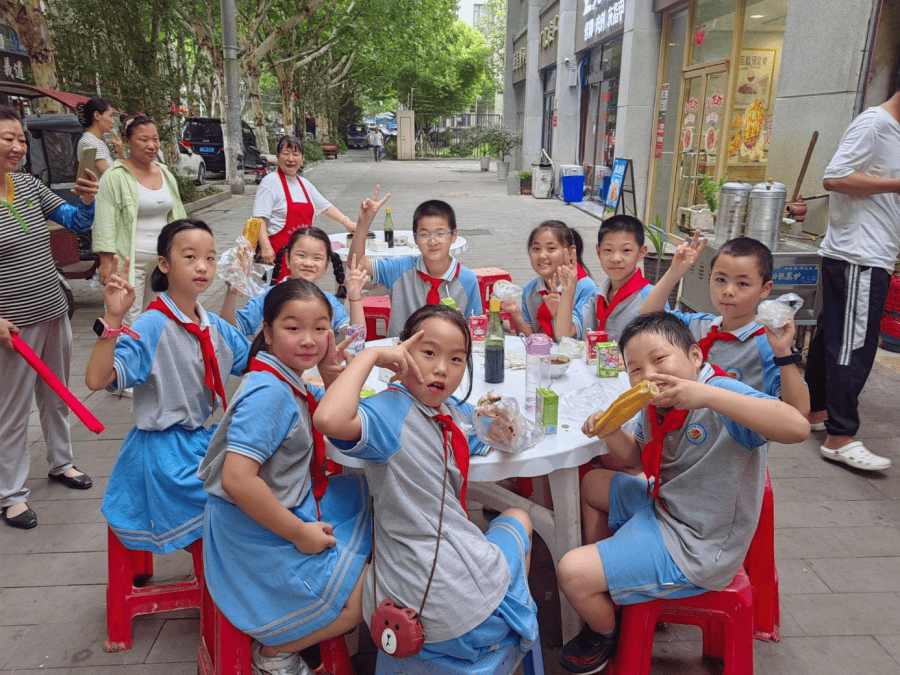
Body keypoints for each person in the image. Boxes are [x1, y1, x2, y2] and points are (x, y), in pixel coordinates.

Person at [556, 312, 810, 674]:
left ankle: (604, 630)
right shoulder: (656, 405)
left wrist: (706, 395)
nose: (649, 376)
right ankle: (611, 584)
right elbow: (635, 458)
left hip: (699, 546)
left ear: (695, 357)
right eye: (635, 369)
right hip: (667, 507)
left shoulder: (721, 395)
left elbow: (798, 427)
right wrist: (610, 428)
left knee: (570, 573)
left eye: (659, 360)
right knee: (593, 484)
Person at [315, 304, 539, 664]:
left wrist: (494, 428)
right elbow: (329, 418)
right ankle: (506, 623)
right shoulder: (389, 412)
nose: (441, 369)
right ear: (401, 351)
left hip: (395, 603)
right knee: (518, 517)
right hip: (459, 618)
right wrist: (371, 354)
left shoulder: (441, 413)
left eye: (456, 359)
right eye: (429, 352)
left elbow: (472, 429)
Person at [199, 279, 370, 675]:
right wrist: (299, 533)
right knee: (363, 598)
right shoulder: (269, 393)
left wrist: (330, 375)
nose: (309, 340)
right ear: (267, 330)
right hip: (253, 536)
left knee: (369, 495)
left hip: (278, 507)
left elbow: (331, 422)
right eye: (293, 328)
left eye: (320, 327)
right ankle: (277, 650)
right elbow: (237, 480)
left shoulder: (283, 375)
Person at [85, 219, 250, 554]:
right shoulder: (152, 324)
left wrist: (239, 289)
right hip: (162, 457)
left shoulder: (212, 325)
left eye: (211, 258)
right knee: (243, 496)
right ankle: (229, 583)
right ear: (164, 263)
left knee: (259, 476)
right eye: (190, 257)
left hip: (197, 444)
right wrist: (113, 321)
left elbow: (255, 359)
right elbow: (97, 380)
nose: (202, 266)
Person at [0, 105, 99, 529]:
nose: (17, 147)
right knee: (12, 410)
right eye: (8, 138)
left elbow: (74, 220)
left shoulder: (26, 186)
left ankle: (61, 463)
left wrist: (88, 199)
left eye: (20, 139)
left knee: (56, 395)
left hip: (53, 308)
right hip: (13, 325)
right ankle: (10, 494)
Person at [804, 79, 900, 472]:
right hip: (861, 254)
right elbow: (835, 177)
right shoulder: (876, 124)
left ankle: (817, 413)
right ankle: (840, 437)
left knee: (834, 336)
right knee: (854, 346)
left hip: (863, 252)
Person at [639, 234, 810, 418]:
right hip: (678, 440)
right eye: (720, 280)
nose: (728, 291)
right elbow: (647, 318)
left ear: (765, 288)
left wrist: (783, 354)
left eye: (742, 283)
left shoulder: (767, 345)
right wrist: (675, 272)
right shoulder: (698, 325)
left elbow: (799, 413)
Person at [93, 115, 187, 326]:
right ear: (127, 141)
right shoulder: (115, 176)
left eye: (155, 139)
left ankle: (151, 359)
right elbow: (105, 221)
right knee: (127, 320)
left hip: (162, 263)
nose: (151, 145)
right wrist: (106, 262)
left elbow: (178, 216)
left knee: (158, 320)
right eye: (143, 140)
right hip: (128, 262)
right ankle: (122, 358)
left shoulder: (165, 173)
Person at [349, 196, 482, 337]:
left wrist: (460, 325)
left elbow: (477, 329)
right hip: (402, 354)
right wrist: (363, 223)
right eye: (424, 234)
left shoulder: (467, 279)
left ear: (454, 235)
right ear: (415, 238)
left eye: (440, 233)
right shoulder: (400, 269)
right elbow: (357, 264)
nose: (433, 241)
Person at [221, 227, 369, 338]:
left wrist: (355, 298)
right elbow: (228, 328)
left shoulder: (329, 302)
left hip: (315, 377)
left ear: (327, 264)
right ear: (287, 258)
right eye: (301, 255)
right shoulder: (266, 298)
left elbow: (356, 337)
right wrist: (231, 289)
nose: (308, 263)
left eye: (317, 258)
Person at [254, 136, 357, 281]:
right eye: (286, 153)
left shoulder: (304, 184)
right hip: (277, 255)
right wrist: (265, 248)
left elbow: (325, 207)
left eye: (295, 154)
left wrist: (348, 223)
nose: (290, 159)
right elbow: (259, 219)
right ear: (278, 157)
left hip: (302, 256)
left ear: (302, 158)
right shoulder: (270, 182)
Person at [501, 220, 596, 341]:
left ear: (571, 252)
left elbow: (574, 338)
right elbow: (530, 339)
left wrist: (559, 313)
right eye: (536, 249)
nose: (541, 256)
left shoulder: (585, 288)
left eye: (551, 248)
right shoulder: (530, 289)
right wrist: (516, 313)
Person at [578, 215, 665, 342]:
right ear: (598, 251)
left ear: (641, 252)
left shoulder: (651, 297)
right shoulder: (597, 296)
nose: (616, 258)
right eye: (608, 250)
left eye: (626, 250)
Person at [75, 97, 122, 176]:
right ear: (97, 115)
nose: (113, 121)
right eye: (110, 116)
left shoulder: (98, 141)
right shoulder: (89, 142)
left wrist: (120, 151)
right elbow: (111, 177)